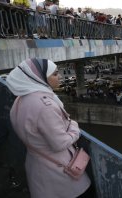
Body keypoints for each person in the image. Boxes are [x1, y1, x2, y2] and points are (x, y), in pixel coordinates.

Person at [6, 58, 91, 198]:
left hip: (36, 164)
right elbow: (60, 143)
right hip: (58, 172)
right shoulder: (45, 106)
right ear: (40, 77)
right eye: (55, 74)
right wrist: (75, 127)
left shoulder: (19, 100)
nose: (60, 77)